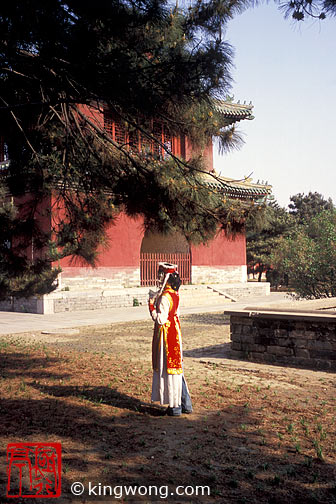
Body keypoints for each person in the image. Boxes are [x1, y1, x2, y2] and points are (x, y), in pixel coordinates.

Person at [148, 262, 192, 416]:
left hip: (166, 336)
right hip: (174, 331)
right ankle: (185, 403)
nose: (159, 278)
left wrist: (151, 306)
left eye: (161, 275)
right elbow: (176, 314)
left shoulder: (165, 297)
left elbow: (160, 319)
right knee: (176, 369)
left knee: (169, 369)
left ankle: (175, 407)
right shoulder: (175, 293)